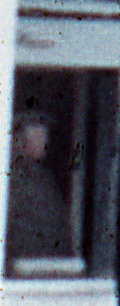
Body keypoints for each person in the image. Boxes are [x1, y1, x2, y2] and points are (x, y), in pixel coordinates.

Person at [7, 111, 71, 274]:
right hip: (22, 271)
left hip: (45, 269)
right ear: (18, 138)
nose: (43, 140)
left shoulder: (43, 178)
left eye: (44, 133)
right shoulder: (12, 179)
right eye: (36, 132)